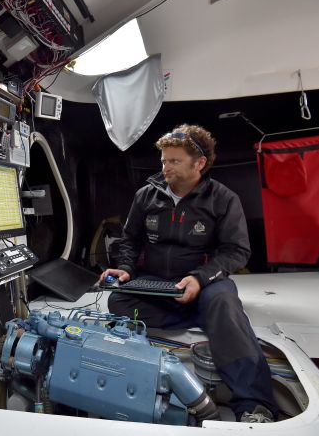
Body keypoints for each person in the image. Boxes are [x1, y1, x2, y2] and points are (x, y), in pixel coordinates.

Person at [101, 124, 277, 423]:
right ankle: (207, 318)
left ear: (199, 163)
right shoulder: (146, 195)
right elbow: (129, 241)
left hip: (204, 281)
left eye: (174, 161)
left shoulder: (223, 199)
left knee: (223, 303)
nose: (165, 167)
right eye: (163, 160)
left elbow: (236, 251)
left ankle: (254, 404)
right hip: (158, 282)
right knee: (118, 303)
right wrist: (127, 269)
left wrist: (200, 278)